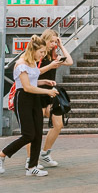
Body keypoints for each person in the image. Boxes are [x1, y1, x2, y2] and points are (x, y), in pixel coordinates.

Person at [0, 35, 58, 176]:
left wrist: (44, 81)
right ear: (33, 50)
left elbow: (34, 77)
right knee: (28, 135)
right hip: (23, 99)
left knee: (38, 134)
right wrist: (48, 92)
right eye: (41, 52)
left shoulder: (33, 62)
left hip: (34, 99)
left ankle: (32, 167)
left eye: (44, 53)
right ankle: (0, 154)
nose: (42, 55)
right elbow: (27, 87)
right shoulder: (21, 64)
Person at [33, 29, 73, 167]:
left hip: (51, 93)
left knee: (59, 124)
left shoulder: (54, 56)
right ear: (45, 40)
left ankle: (44, 153)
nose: (53, 44)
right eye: (51, 41)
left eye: (55, 41)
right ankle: (31, 160)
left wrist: (61, 46)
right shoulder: (38, 54)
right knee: (34, 129)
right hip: (37, 92)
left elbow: (69, 61)